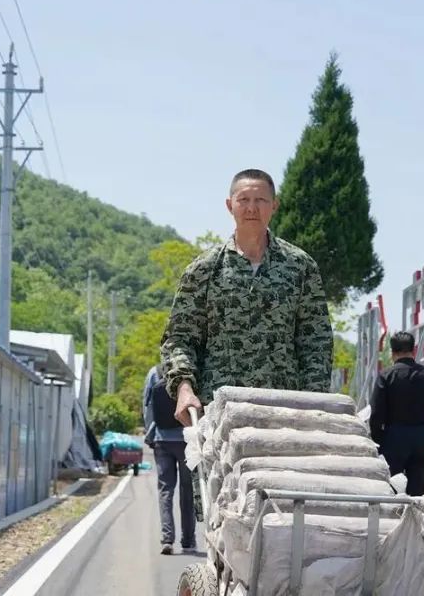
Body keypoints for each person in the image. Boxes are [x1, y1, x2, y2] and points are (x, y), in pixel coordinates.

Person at [159, 168, 333, 426]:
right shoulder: (204, 269)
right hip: (219, 412)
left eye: (261, 200)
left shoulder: (300, 267)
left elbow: (315, 341)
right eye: (244, 200)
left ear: (274, 205)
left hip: (283, 411)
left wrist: (313, 404)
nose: (252, 208)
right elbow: (180, 338)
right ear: (230, 206)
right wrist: (184, 389)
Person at [368, 331, 424, 497]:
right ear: (414, 350)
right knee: (416, 495)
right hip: (421, 439)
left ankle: (392, 521)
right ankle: (414, 522)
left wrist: (378, 442)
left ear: (392, 352)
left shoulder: (386, 376)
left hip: (392, 438)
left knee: (391, 491)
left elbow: (375, 415)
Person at [142, 364, 196, 555]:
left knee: (166, 490)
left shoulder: (155, 372)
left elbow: (147, 405)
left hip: (162, 440)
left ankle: (167, 539)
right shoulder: (189, 372)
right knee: (187, 491)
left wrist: (150, 434)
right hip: (186, 439)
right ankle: (188, 541)